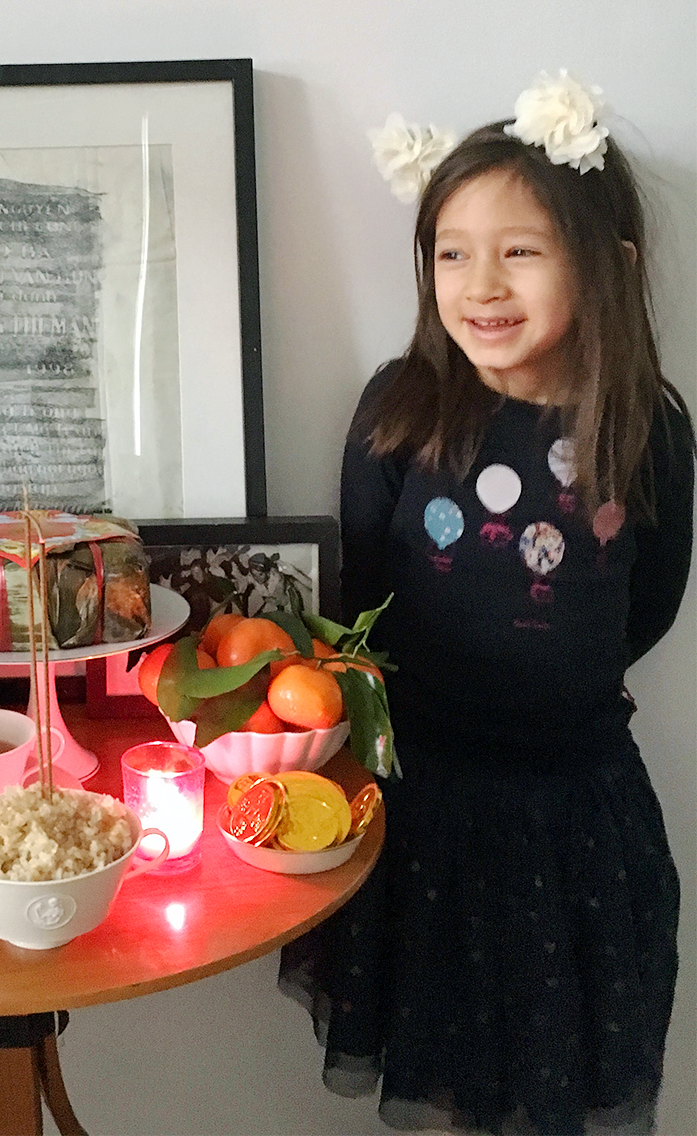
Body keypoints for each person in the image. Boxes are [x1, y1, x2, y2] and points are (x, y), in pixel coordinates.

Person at [279, 72, 695, 1135]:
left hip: (578, 814)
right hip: (423, 806)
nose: (482, 284)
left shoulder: (646, 425)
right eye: (452, 253)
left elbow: (648, 605)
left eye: (521, 251)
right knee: (449, 1076)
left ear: (609, 264)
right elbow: (360, 602)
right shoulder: (399, 409)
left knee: (559, 1079)